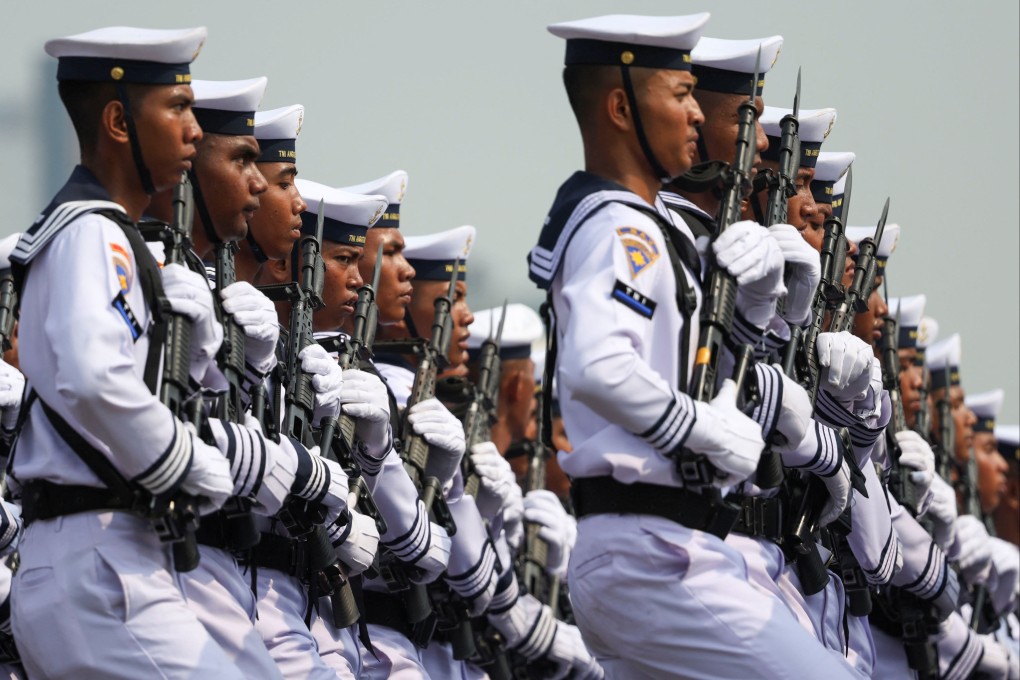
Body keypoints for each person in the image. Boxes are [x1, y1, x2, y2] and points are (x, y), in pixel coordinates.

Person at [527, 13, 861, 677]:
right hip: (652, 557)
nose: (694, 117)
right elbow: (597, 368)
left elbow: (687, 372)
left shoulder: (642, 228)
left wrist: (760, 311)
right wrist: (702, 429)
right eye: (679, 95)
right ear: (622, 107)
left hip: (661, 547)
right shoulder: (624, 231)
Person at [7, 26, 249, 678]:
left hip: (109, 557)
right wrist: (181, 458)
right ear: (118, 121)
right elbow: (92, 375)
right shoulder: (95, 234)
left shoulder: (106, 233)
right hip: (96, 563)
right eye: (177, 108)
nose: (196, 130)